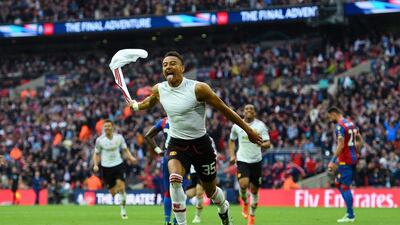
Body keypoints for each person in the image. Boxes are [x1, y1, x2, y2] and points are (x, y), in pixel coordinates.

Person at [130, 51, 262, 225]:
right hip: (177, 144)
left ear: (182, 68)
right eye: (164, 64)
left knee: (210, 191)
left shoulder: (198, 88)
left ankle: (223, 207)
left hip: (201, 146)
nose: (168, 66)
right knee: (175, 179)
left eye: (172, 63)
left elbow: (224, 109)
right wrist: (136, 106)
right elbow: (149, 101)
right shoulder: (160, 89)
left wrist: (248, 130)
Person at [229, 104, 271, 225]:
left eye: (251, 109)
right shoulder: (237, 125)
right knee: (243, 184)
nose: (249, 111)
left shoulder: (260, 126)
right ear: (243, 111)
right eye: (246, 109)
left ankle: (251, 216)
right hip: (242, 159)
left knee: (254, 191)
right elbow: (231, 140)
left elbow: (268, 143)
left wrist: (260, 144)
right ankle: (245, 203)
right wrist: (232, 155)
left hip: (256, 161)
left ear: (254, 113)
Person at [92, 119, 137, 219]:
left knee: (121, 187)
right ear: (104, 128)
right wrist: (95, 164)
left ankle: (123, 209)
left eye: (109, 126)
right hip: (106, 167)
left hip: (118, 165)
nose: (107, 128)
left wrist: (131, 157)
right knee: (112, 193)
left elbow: (125, 149)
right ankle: (120, 197)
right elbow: (96, 153)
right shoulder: (100, 140)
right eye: (105, 126)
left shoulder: (119, 138)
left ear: (113, 127)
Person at [327, 107, 363, 223]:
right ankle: (349, 212)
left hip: (345, 160)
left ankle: (350, 215)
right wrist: (357, 152)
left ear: (334, 114)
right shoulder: (351, 124)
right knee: (338, 182)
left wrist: (333, 160)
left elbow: (341, 145)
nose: (330, 119)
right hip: (352, 158)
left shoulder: (340, 126)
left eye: (330, 116)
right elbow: (360, 140)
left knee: (344, 186)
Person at [145, 117, 178, 225]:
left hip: (167, 156)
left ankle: (167, 221)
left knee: (168, 192)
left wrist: (158, 150)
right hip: (181, 157)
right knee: (179, 190)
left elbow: (148, 136)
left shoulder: (164, 121)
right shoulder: (184, 117)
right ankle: (177, 221)